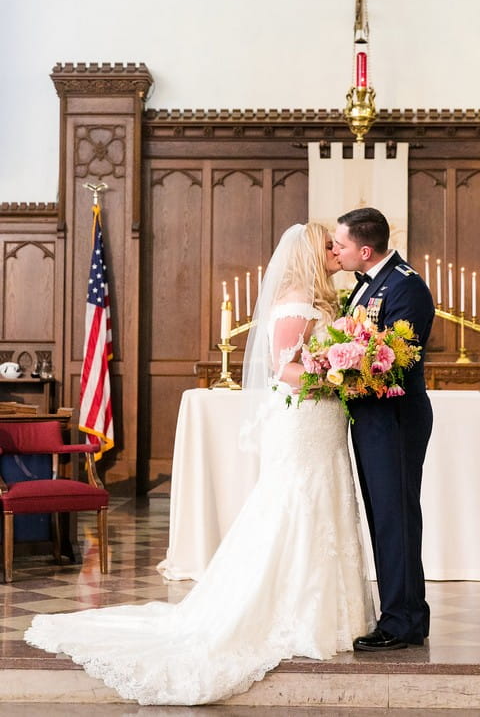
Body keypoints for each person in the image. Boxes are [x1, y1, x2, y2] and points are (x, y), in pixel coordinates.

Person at [24, 223, 375, 706]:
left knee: (325, 503)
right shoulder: (294, 301)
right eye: (330, 246)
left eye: (340, 245)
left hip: (324, 422)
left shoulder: (323, 300)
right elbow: (284, 369)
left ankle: (333, 613)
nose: (337, 251)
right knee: (296, 506)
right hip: (306, 420)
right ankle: (291, 611)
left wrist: (343, 369)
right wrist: (339, 381)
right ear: (313, 254)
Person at [333, 207, 435, 651]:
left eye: (341, 244)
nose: (335, 251)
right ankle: (408, 613)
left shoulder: (405, 285)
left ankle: (400, 621)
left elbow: (397, 357)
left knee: (395, 516)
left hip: (394, 417)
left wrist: (332, 365)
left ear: (365, 249)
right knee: (386, 515)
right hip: (372, 416)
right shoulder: (368, 284)